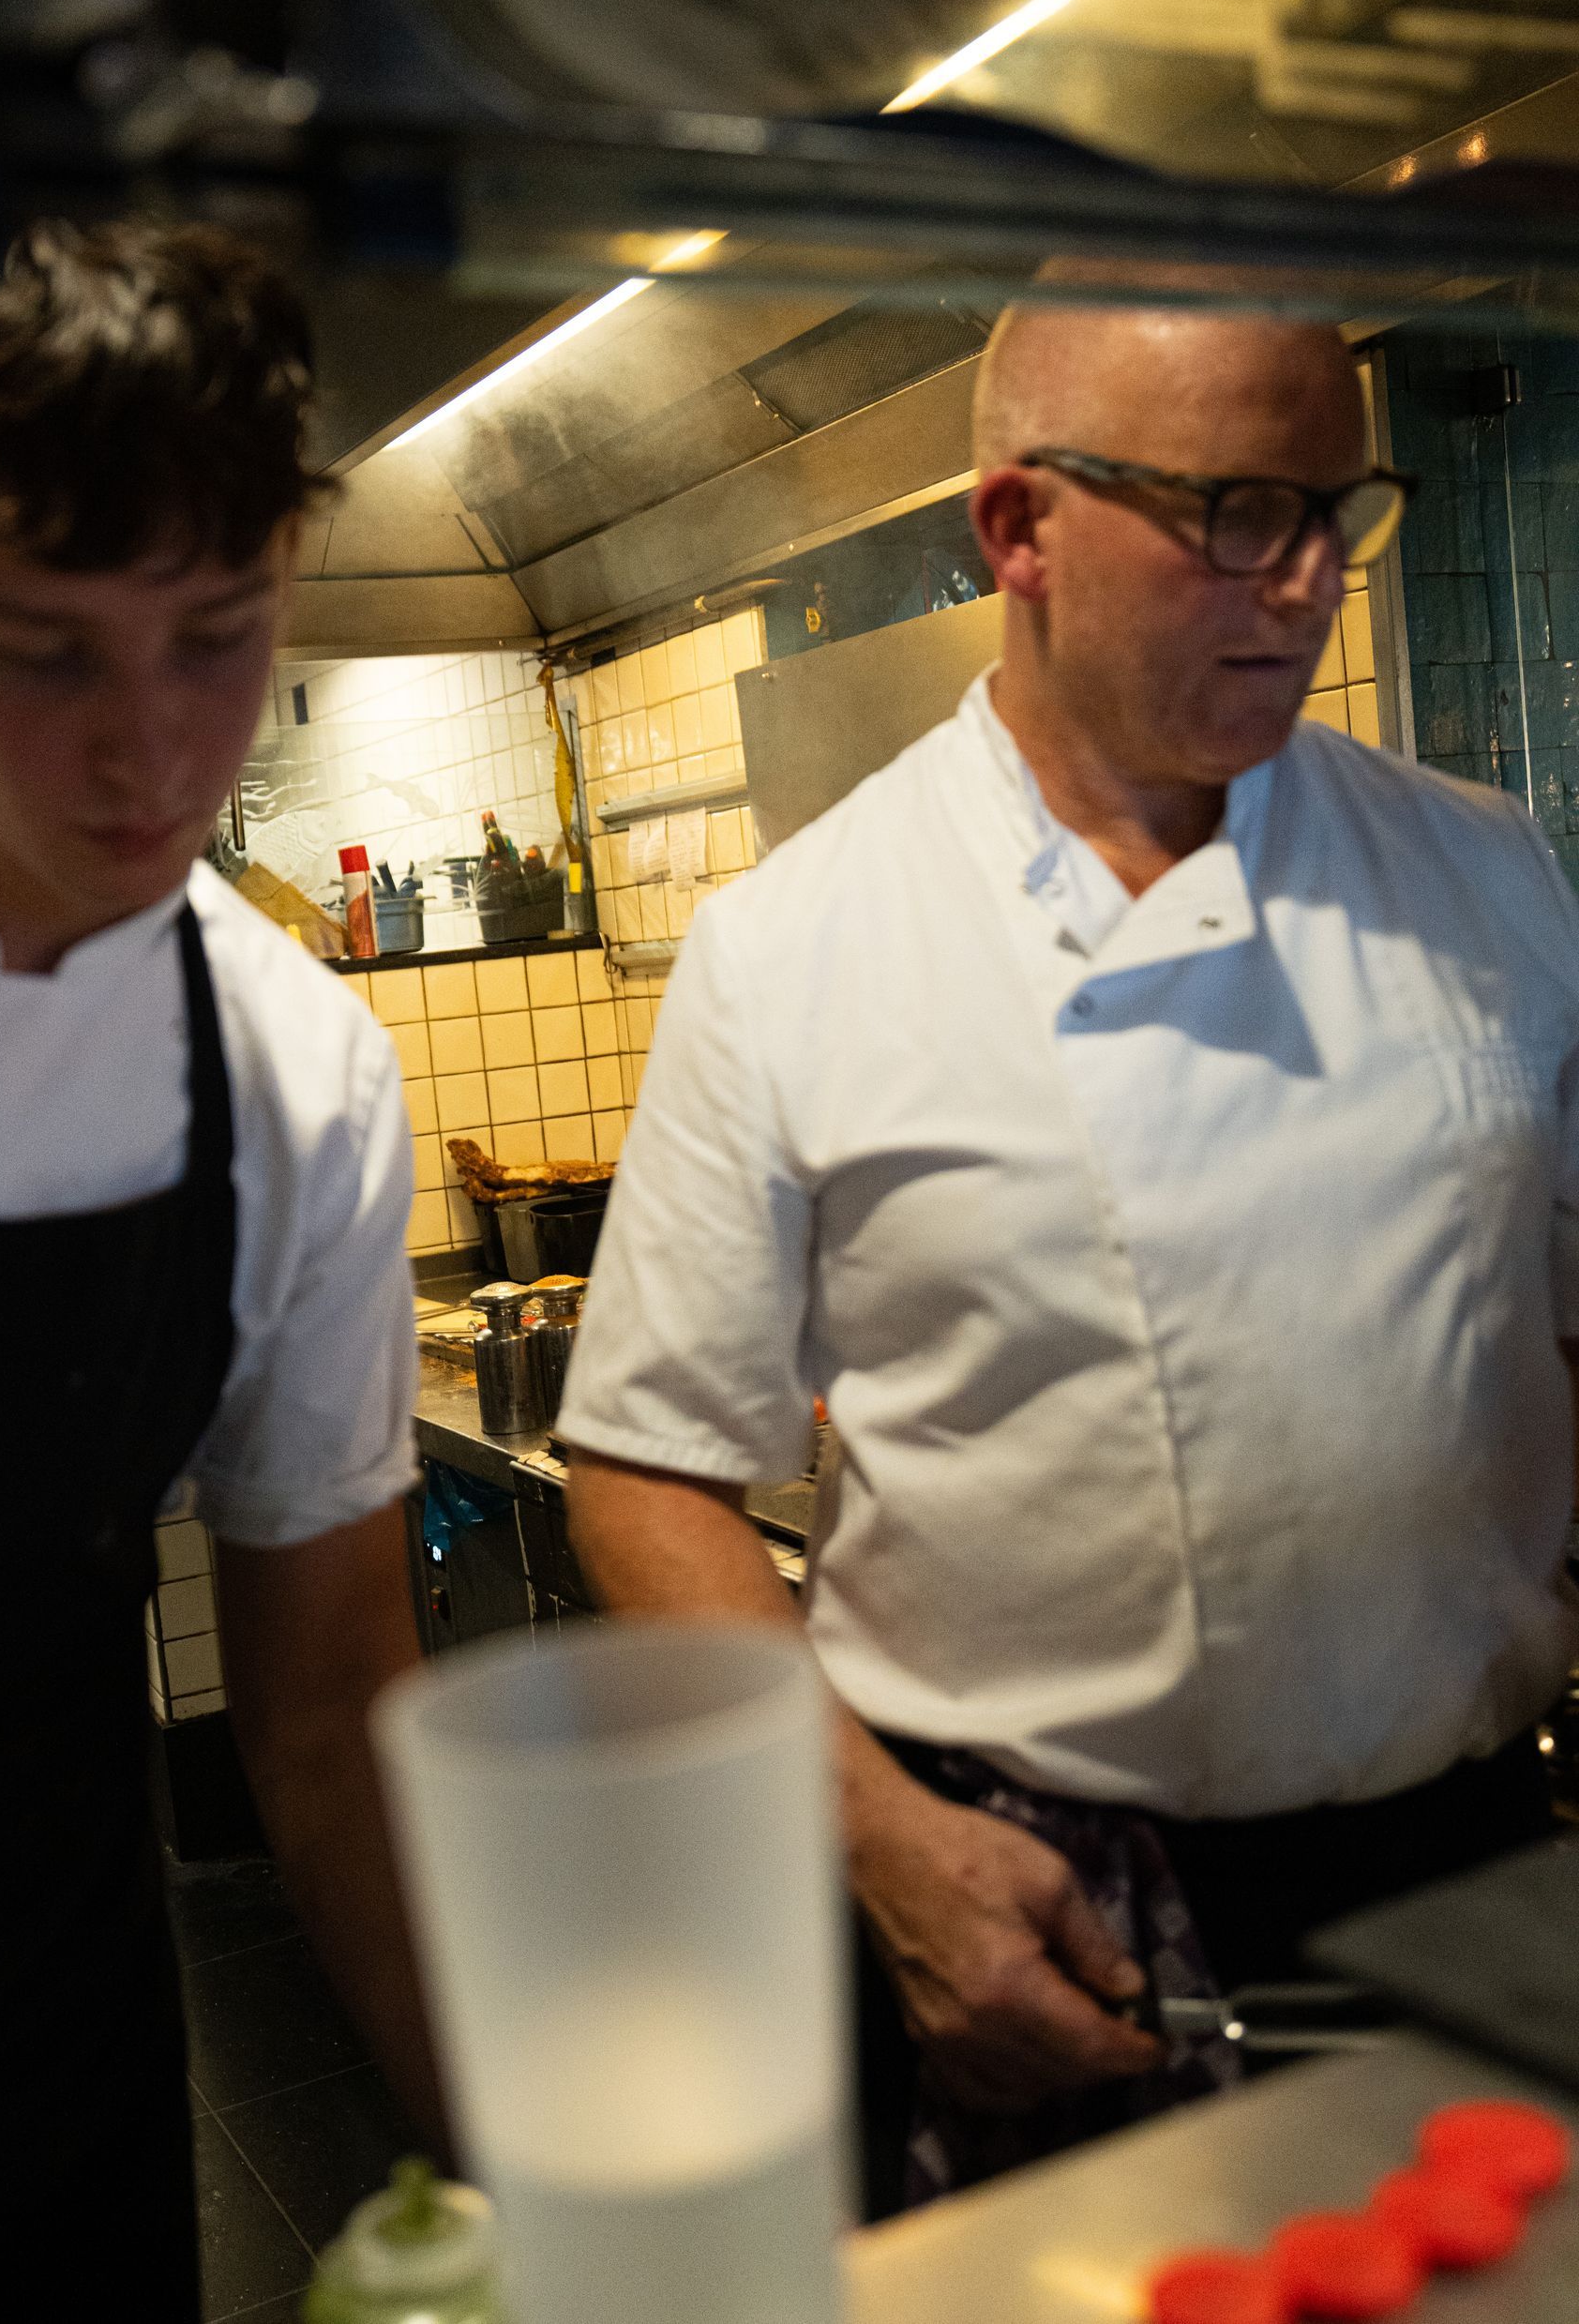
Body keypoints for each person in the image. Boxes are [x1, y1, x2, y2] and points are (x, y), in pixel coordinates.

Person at [557, 294, 1579, 2211]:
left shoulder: (1484, 871)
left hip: (1471, 1853)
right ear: (1016, 526)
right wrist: (879, 1845)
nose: (1307, 586)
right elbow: (642, 1470)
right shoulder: (797, 950)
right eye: (1236, 517)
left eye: (1338, 515)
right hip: (1029, 1893)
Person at [0, 220, 437, 2318]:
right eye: (45, 650)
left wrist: (535, 2155)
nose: (153, 754)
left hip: (43, 2075)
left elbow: (327, 1705)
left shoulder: (296, 1076)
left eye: (219, 634)